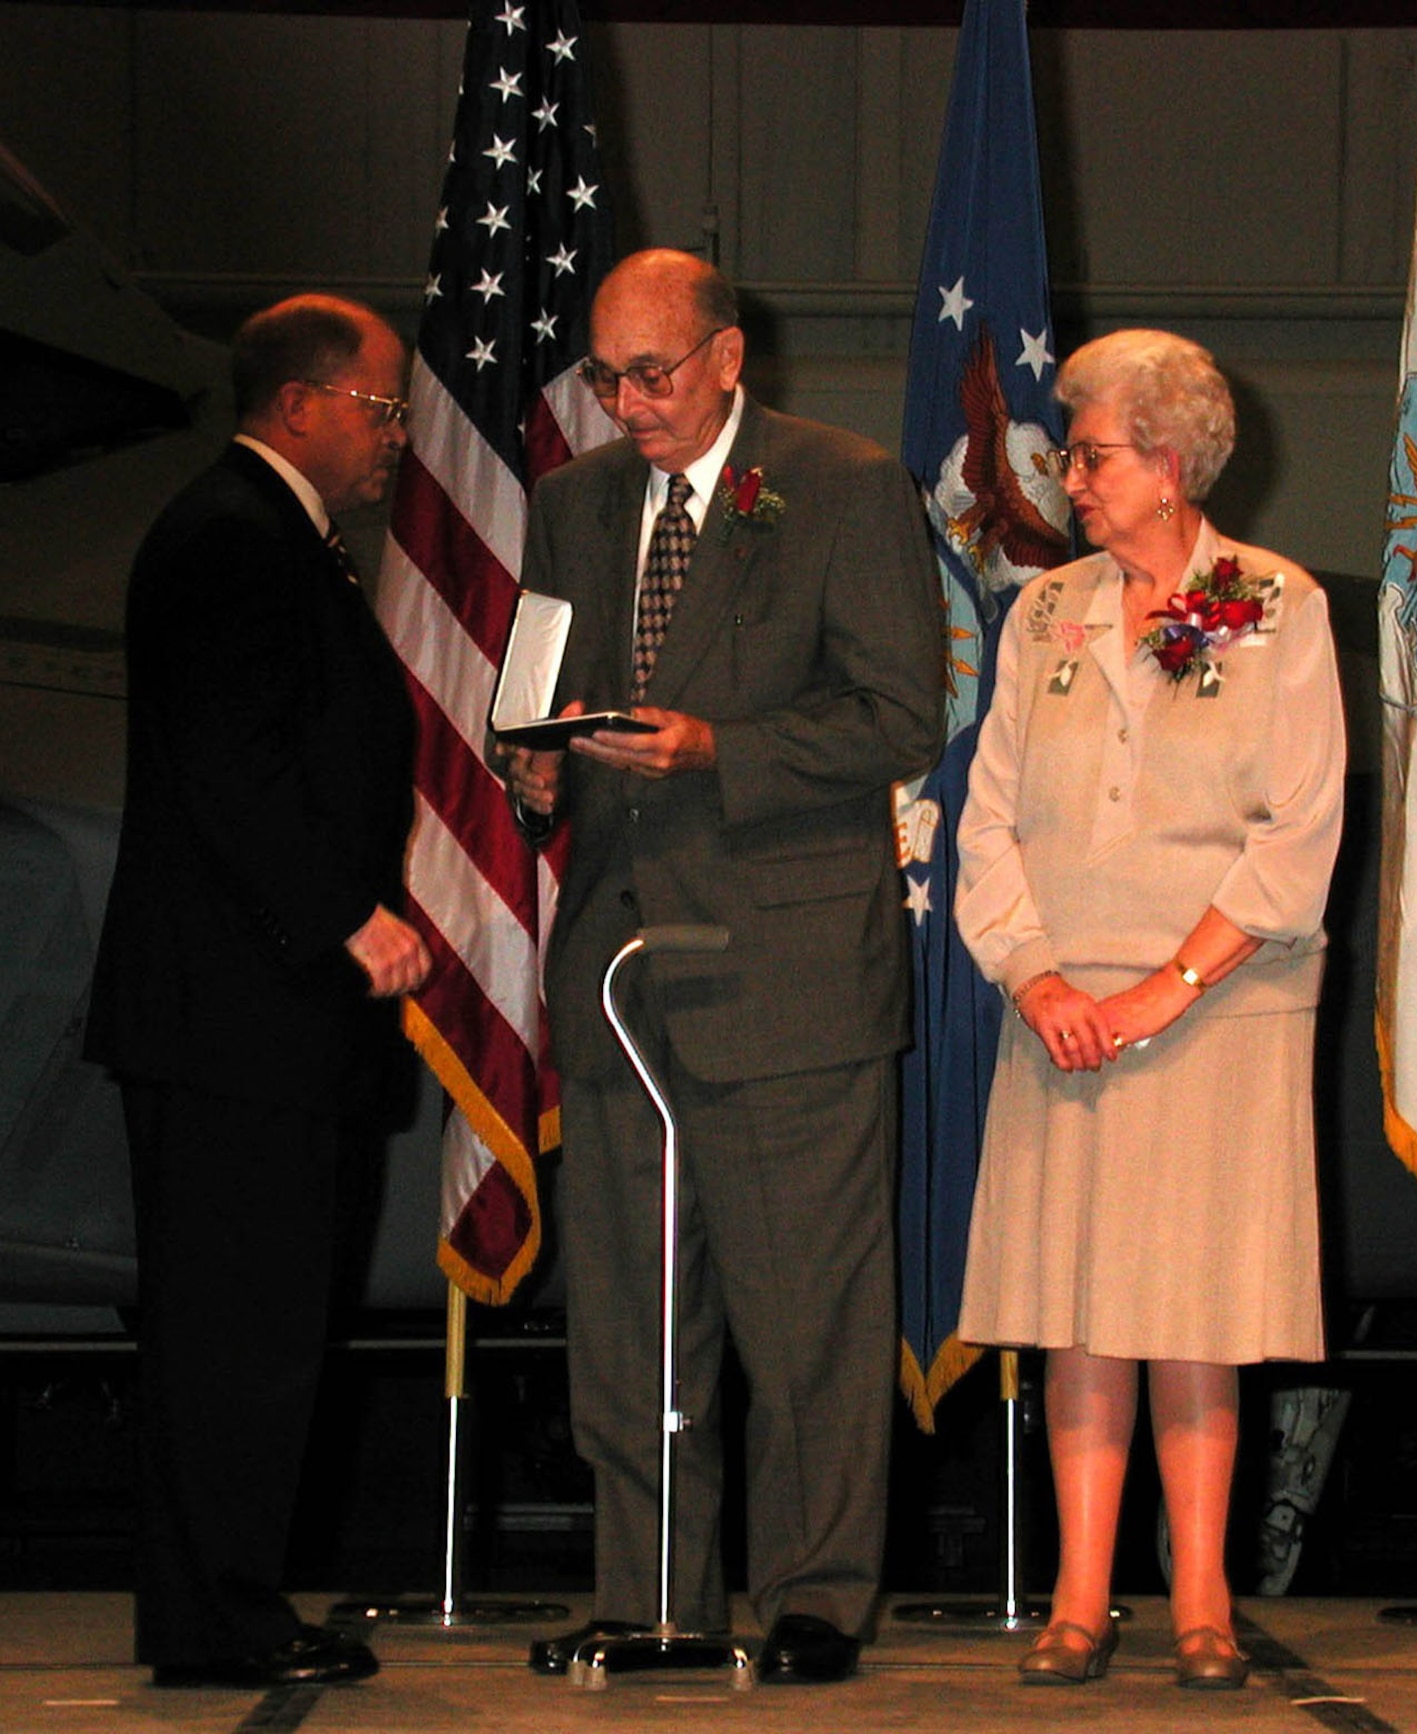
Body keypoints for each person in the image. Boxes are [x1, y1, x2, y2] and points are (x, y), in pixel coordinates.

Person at [501, 249, 942, 1685]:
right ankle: (653, 1593)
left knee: (808, 1304)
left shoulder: (843, 481)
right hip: (624, 973)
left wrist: (715, 749)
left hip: (790, 965)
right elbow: (531, 708)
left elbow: (898, 718)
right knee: (631, 1307)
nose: (628, 402)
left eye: (655, 372)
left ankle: (815, 1595)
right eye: (606, 375)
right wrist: (536, 771)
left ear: (728, 357)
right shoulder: (569, 505)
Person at [954, 329, 1345, 1690]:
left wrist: (1163, 991)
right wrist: (1041, 977)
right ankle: (1074, 1598)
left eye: (1094, 452)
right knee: (1080, 1310)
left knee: (1195, 1309)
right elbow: (986, 818)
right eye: (1070, 450)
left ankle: (1200, 1601)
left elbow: (1298, 837)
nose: (1070, 476)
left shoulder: (1279, 603)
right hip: (1059, 1007)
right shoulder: (1043, 611)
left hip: (1222, 1007)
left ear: (1171, 466)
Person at [85, 294, 431, 1689]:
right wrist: (349, 915)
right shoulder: (233, 537)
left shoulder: (277, 536)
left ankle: (227, 1602)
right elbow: (234, 766)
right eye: (383, 406)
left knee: (263, 1331)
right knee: (232, 1334)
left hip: (260, 1018)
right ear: (302, 402)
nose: (396, 437)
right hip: (236, 1018)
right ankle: (213, 1616)